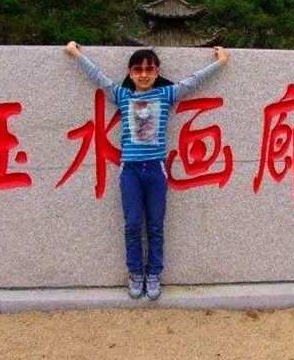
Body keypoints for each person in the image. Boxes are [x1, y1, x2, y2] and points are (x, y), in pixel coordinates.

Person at [64, 41, 230, 300]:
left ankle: (153, 274)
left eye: (149, 69)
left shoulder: (166, 95)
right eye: (138, 70)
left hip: (155, 171)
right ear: (130, 73)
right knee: (132, 225)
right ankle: (135, 273)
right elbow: (98, 76)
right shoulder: (122, 96)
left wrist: (219, 63)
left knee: (155, 225)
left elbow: (194, 81)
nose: (143, 74)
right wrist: (76, 55)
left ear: (156, 72)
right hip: (130, 171)